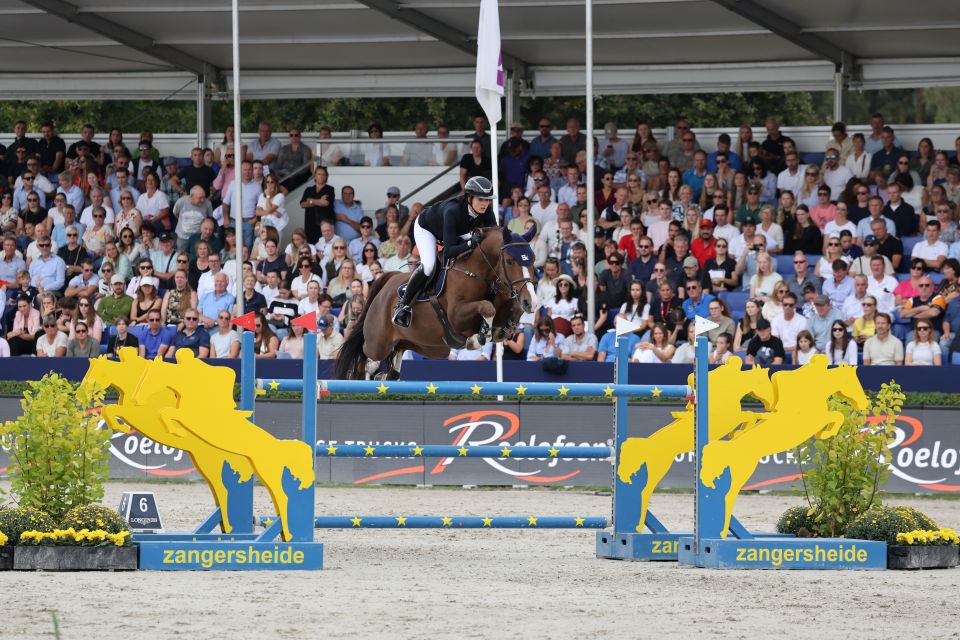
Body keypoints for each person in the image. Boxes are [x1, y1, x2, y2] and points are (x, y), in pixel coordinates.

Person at [392, 176, 497, 328]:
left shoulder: (487, 212)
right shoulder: (452, 211)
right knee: (428, 265)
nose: (485, 204)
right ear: (469, 197)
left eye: (487, 200)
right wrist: (469, 243)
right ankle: (403, 306)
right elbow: (448, 252)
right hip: (427, 228)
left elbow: (494, 236)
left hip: (456, 230)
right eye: (481, 199)